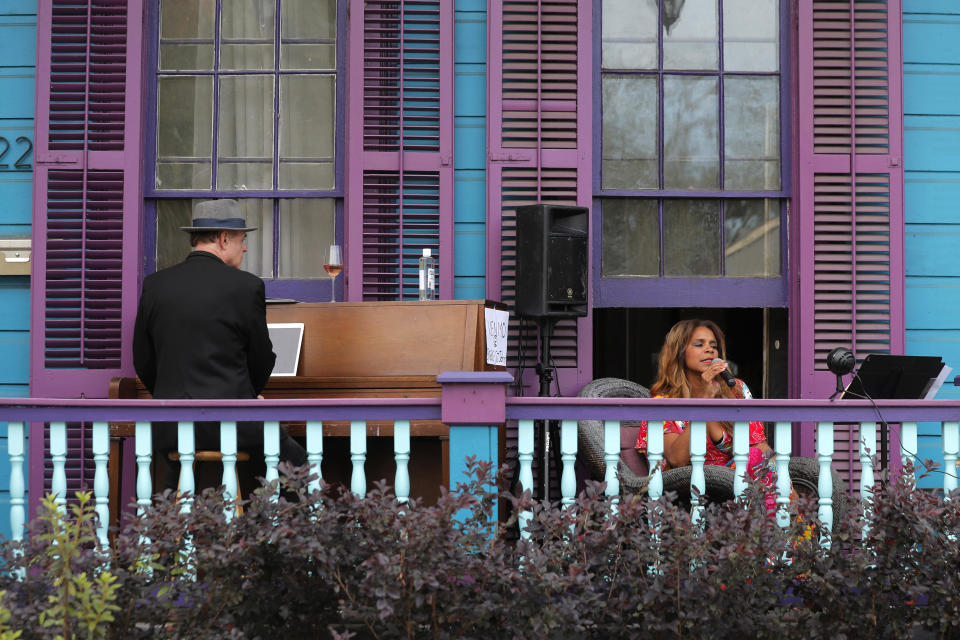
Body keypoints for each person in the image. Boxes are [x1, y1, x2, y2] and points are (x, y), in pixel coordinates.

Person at [133, 198, 308, 496]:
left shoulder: (156, 285)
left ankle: (167, 532)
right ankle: (282, 536)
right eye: (242, 240)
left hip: (170, 426)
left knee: (179, 466)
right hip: (234, 423)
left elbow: (143, 359)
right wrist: (248, 396)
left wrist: (174, 401)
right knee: (297, 463)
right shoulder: (246, 286)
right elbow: (261, 358)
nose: (245, 248)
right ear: (224, 239)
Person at [635, 319, 779, 508]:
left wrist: (785, 483)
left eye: (714, 345)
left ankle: (785, 523)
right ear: (679, 353)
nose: (710, 350)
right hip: (691, 490)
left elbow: (760, 445)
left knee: (758, 457)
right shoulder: (662, 403)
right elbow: (677, 459)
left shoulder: (736, 389)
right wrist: (704, 400)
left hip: (741, 483)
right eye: (699, 344)